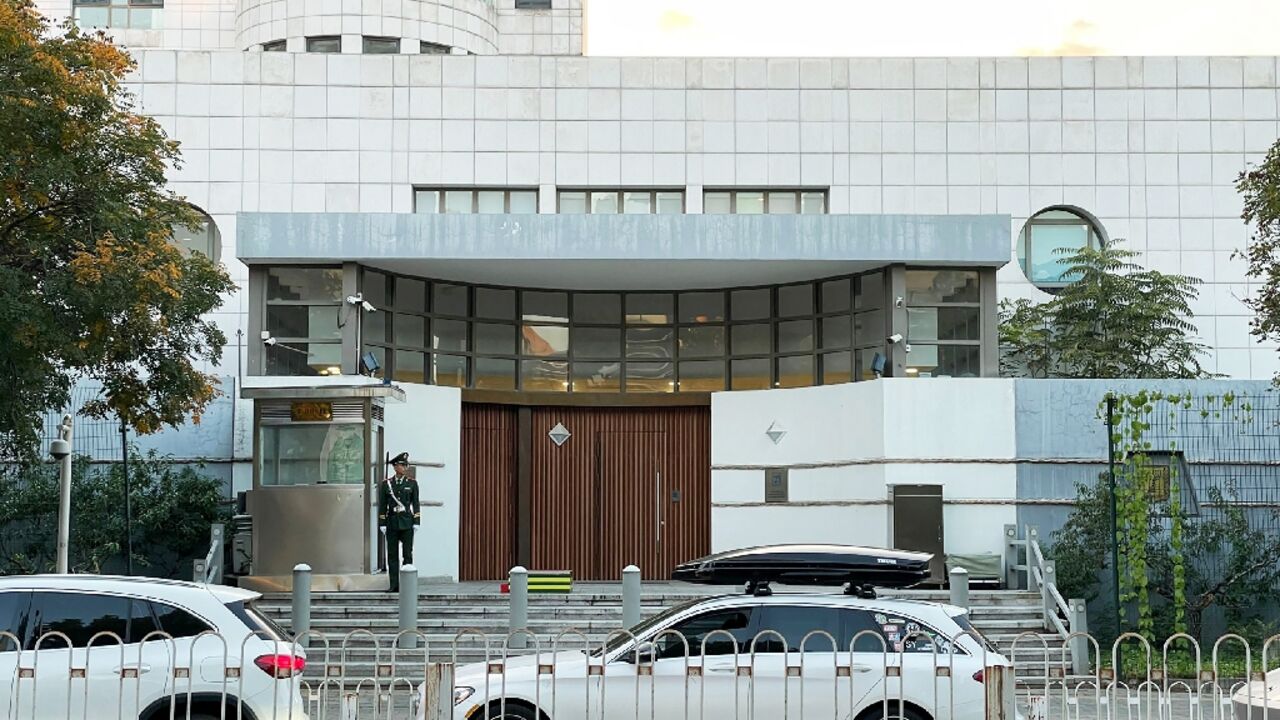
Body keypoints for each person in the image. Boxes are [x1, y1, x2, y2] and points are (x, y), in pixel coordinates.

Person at [379, 451, 420, 592]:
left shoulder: (412, 484)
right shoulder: (387, 484)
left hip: (407, 522)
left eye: (405, 465)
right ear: (395, 467)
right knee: (392, 555)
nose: (404, 468)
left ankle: (407, 585)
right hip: (392, 522)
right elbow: (383, 505)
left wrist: (416, 521)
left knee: (407, 554)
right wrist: (382, 523)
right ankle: (394, 585)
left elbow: (416, 503)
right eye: (402, 465)